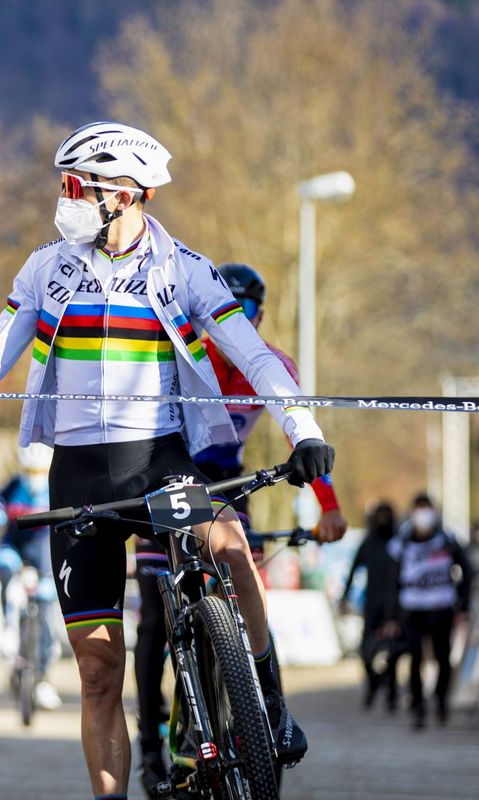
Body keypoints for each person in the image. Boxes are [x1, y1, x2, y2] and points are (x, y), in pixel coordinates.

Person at [0, 121, 333, 798]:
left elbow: (257, 358)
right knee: (98, 675)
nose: (64, 199)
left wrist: (304, 430)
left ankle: (269, 704)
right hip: (79, 477)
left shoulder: (183, 268)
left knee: (232, 550)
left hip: (159, 460)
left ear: (123, 193)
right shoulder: (46, 267)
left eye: (75, 187)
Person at [131, 263, 348, 795]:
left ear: (260, 316)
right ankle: (151, 742)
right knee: (156, 621)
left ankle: (266, 703)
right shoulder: (185, 355)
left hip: (228, 484)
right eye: (223, 309)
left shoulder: (270, 364)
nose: (234, 321)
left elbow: (301, 437)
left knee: (242, 575)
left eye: (245, 310)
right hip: (168, 478)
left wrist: (329, 507)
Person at [0, 443, 62, 711]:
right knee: (4, 566)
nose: (34, 476)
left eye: (39, 471)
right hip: (13, 546)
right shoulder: (14, 485)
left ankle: (43, 675)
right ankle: (7, 627)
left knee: (45, 608)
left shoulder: (55, 486)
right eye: (30, 470)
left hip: (44, 550)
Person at [388, 494, 474, 729]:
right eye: (420, 508)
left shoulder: (447, 539)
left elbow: (467, 570)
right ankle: (418, 706)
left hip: (441, 607)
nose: (424, 514)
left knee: (443, 657)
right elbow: (392, 579)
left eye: (427, 508)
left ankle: (441, 700)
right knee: (415, 657)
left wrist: (463, 604)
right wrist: (393, 614)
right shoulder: (401, 542)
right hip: (413, 609)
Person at [339, 501, 403, 712]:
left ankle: (392, 693)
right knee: (366, 651)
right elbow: (353, 569)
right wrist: (345, 597)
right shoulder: (368, 543)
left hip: (395, 605)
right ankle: (374, 682)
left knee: (393, 651)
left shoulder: (398, 543)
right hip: (373, 603)